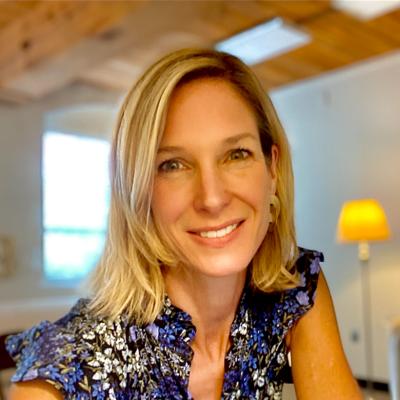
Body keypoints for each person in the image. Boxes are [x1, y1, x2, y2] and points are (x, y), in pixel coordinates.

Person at [7, 48, 362, 400]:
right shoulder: (61, 375)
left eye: (236, 155)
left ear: (272, 169)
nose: (212, 198)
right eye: (173, 165)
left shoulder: (293, 288)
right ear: (138, 190)